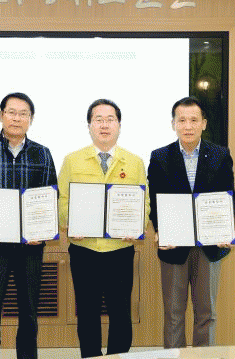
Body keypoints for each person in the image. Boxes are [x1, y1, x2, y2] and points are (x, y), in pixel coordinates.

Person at [0, 92, 57, 359]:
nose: (17, 118)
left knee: (29, 312)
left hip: (31, 247)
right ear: (1, 115)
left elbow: (50, 196)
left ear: (31, 119)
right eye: (11, 112)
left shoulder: (42, 153)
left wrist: (44, 230)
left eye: (23, 113)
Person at [58, 99, 150, 358]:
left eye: (110, 119)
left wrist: (138, 225)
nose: (104, 125)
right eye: (98, 119)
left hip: (119, 249)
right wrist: (69, 222)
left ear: (119, 125)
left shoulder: (134, 162)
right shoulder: (72, 160)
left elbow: (144, 202)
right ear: (89, 125)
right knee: (87, 311)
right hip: (84, 249)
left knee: (120, 311)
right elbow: (62, 199)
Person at [147, 96, 235, 348]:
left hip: (209, 246)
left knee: (206, 314)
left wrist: (227, 229)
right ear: (173, 124)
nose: (188, 126)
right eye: (182, 120)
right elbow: (155, 200)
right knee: (173, 314)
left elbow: (228, 196)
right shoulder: (160, 156)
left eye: (194, 120)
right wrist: (160, 230)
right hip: (173, 246)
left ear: (204, 124)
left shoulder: (220, 154)